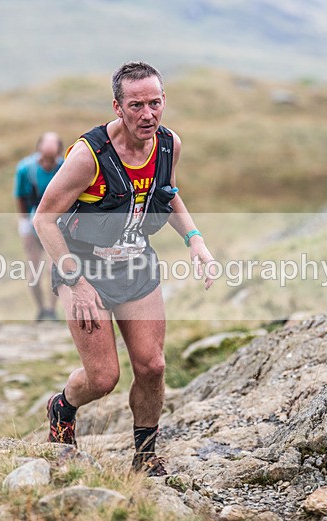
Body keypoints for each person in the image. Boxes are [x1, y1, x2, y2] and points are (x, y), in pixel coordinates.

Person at [33, 61, 216, 476]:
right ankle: (61, 408)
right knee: (102, 378)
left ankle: (145, 457)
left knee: (152, 366)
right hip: (82, 267)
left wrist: (196, 241)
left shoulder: (170, 145)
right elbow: (44, 218)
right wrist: (76, 282)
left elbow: (166, 196)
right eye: (136, 105)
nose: (147, 114)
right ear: (117, 106)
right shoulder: (88, 156)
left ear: (164, 101)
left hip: (136, 264)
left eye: (154, 103)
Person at [14, 132, 64, 320]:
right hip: (32, 221)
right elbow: (19, 196)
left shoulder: (64, 166)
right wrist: (25, 222)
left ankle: (51, 310)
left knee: (54, 269)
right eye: (45, 158)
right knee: (34, 270)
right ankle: (41, 309)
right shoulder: (25, 169)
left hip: (56, 222)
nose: (49, 162)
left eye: (52, 158)